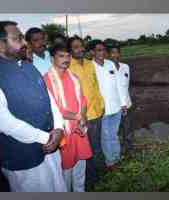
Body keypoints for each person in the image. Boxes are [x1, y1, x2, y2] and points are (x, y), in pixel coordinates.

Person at [0, 21, 67, 192]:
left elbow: (49, 99)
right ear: (0, 43)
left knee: (58, 187)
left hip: (51, 144)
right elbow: (2, 123)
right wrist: (46, 137)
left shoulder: (26, 64)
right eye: (18, 39)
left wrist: (58, 128)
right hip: (24, 155)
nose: (24, 43)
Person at [44, 44, 92, 192]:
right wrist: (78, 116)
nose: (66, 59)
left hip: (79, 128)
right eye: (61, 56)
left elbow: (83, 99)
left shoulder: (73, 77)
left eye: (68, 56)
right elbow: (55, 109)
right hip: (63, 132)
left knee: (80, 167)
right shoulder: (46, 80)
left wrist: (82, 116)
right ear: (52, 58)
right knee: (65, 171)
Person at [67, 36, 105, 185]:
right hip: (83, 116)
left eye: (81, 46)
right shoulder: (68, 66)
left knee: (96, 146)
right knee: (85, 149)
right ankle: (90, 179)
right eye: (76, 47)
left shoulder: (90, 64)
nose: (80, 49)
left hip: (96, 111)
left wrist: (102, 104)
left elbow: (96, 86)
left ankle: (96, 174)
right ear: (70, 50)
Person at [90, 40, 122, 170]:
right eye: (98, 50)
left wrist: (123, 103)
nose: (101, 52)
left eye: (103, 50)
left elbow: (118, 84)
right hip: (103, 109)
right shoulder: (90, 66)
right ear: (92, 52)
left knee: (114, 134)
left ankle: (116, 157)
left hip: (116, 106)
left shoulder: (110, 64)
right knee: (106, 136)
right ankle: (110, 162)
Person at [107, 44, 134, 154]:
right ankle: (116, 152)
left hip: (126, 104)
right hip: (114, 106)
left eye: (117, 52)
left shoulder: (126, 67)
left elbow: (125, 86)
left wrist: (125, 103)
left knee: (127, 129)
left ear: (120, 54)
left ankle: (129, 149)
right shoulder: (107, 68)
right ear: (109, 55)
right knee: (114, 131)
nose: (115, 55)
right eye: (112, 53)